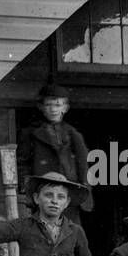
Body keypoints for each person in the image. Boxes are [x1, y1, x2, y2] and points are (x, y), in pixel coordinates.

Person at [15, 83, 93, 215]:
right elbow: (22, 164)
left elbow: (83, 165)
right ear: (41, 107)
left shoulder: (73, 134)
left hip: (68, 193)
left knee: (69, 231)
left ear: (66, 108)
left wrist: (84, 194)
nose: (53, 109)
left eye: (57, 105)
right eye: (48, 105)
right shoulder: (30, 133)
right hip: (42, 193)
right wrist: (27, 191)